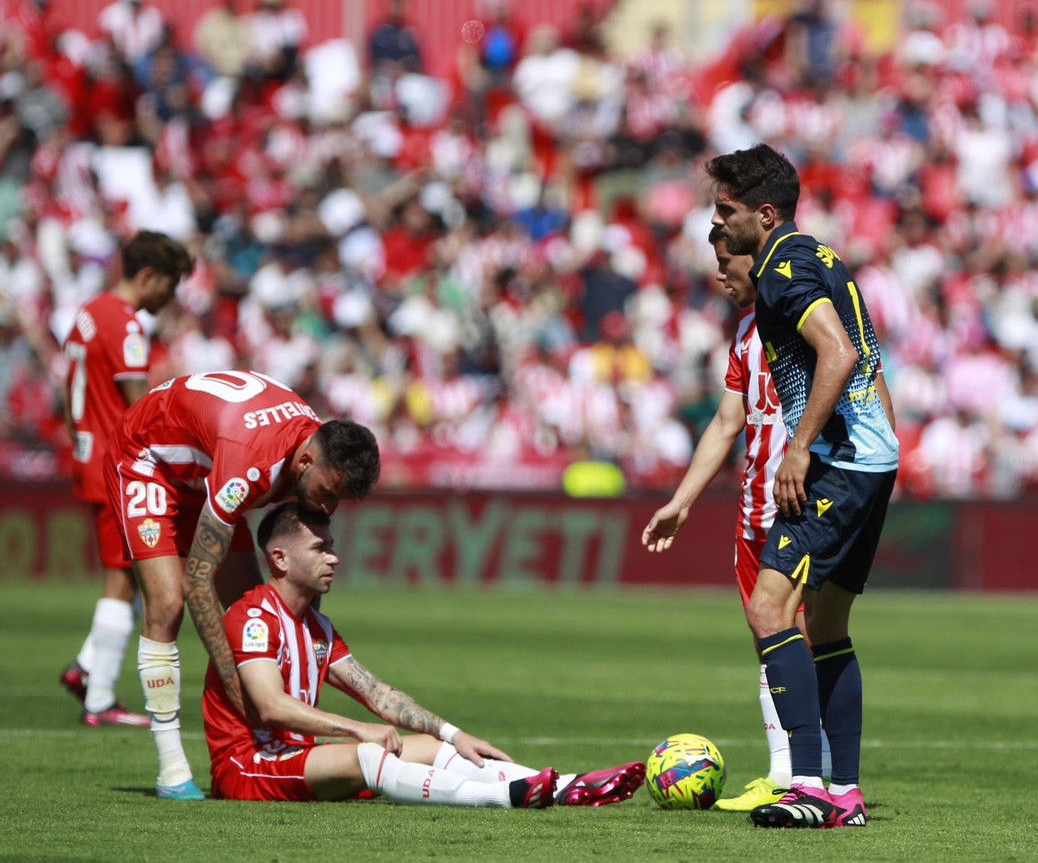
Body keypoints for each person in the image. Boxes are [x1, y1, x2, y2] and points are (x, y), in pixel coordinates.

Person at [202, 501, 644, 807]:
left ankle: (567, 786)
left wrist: (453, 733)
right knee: (370, 754)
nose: (333, 558)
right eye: (320, 548)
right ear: (278, 558)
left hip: (297, 759)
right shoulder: (253, 616)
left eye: (332, 546)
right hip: (247, 768)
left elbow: (378, 693)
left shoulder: (317, 625)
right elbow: (270, 705)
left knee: (431, 748)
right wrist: (360, 730)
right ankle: (502, 798)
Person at [704, 144, 899, 830]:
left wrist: (798, 449)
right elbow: (869, 353)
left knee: (769, 611)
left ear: (764, 212)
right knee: (827, 626)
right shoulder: (818, 255)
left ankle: (808, 785)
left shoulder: (782, 273)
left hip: (836, 461)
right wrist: (886, 455)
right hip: (871, 458)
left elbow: (841, 355)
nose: (717, 223)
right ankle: (843, 793)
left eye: (725, 211)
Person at [106, 371, 380, 799]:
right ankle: (171, 767)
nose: (328, 508)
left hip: (208, 467)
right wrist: (239, 689)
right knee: (168, 604)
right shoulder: (249, 465)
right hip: (149, 460)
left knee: (258, 612)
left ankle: (274, 749)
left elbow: (292, 604)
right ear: (306, 463)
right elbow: (198, 581)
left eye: (338, 500)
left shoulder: (316, 453)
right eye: (327, 493)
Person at [641, 226, 831, 812]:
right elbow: (728, 422)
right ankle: (784, 772)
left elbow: (857, 374)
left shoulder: (804, 321)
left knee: (796, 634)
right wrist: (683, 499)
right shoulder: (747, 331)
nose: (719, 273)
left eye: (728, 262)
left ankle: (814, 776)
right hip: (753, 508)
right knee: (767, 637)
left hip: (800, 504)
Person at [58, 231, 193, 726]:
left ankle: (87, 668)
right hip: (114, 463)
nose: (171, 297)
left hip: (88, 453)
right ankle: (99, 700)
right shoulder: (126, 324)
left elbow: (70, 390)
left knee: (130, 577)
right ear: (147, 277)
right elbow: (140, 402)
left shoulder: (89, 312)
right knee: (123, 580)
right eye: (171, 285)